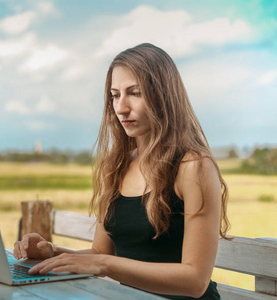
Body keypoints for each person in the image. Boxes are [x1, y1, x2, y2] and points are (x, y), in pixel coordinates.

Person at [13, 43, 230, 300]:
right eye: (115, 95)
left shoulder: (193, 166)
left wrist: (105, 265)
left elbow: (195, 281)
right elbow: (99, 254)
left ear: (164, 96)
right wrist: (52, 254)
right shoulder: (117, 166)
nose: (121, 108)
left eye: (134, 93)